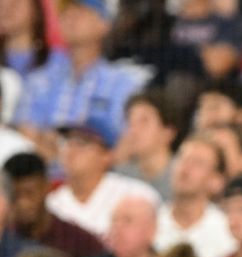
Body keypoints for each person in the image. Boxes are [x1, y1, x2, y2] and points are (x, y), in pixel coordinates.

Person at [13, 0, 146, 158]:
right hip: (45, 176)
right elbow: (26, 138)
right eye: (65, 12)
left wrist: (89, 166)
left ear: (104, 24)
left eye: (81, 11)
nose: (71, 17)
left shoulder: (124, 84)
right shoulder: (39, 81)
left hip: (105, 177)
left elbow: (128, 142)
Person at [47, 114, 160, 238]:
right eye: (66, 140)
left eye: (82, 142)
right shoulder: (51, 204)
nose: (70, 149)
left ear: (107, 155)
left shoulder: (135, 194)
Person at [4, 152, 104, 257]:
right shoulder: (3, 239)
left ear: (47, 188)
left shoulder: (80, 243)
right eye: (15, 195)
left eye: (30, 193)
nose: (23, 203)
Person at [153, 135, 235, 257]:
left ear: (216, 181)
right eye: (181, 158)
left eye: (198, 163)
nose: (185, 169)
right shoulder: (151, 222)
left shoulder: (227, 232)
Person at [115, 90, 182, 200]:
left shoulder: (181, 177)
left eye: (144, 121)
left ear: (168, 132)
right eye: (130, 122)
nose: (133, 130)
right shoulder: (121, 176)